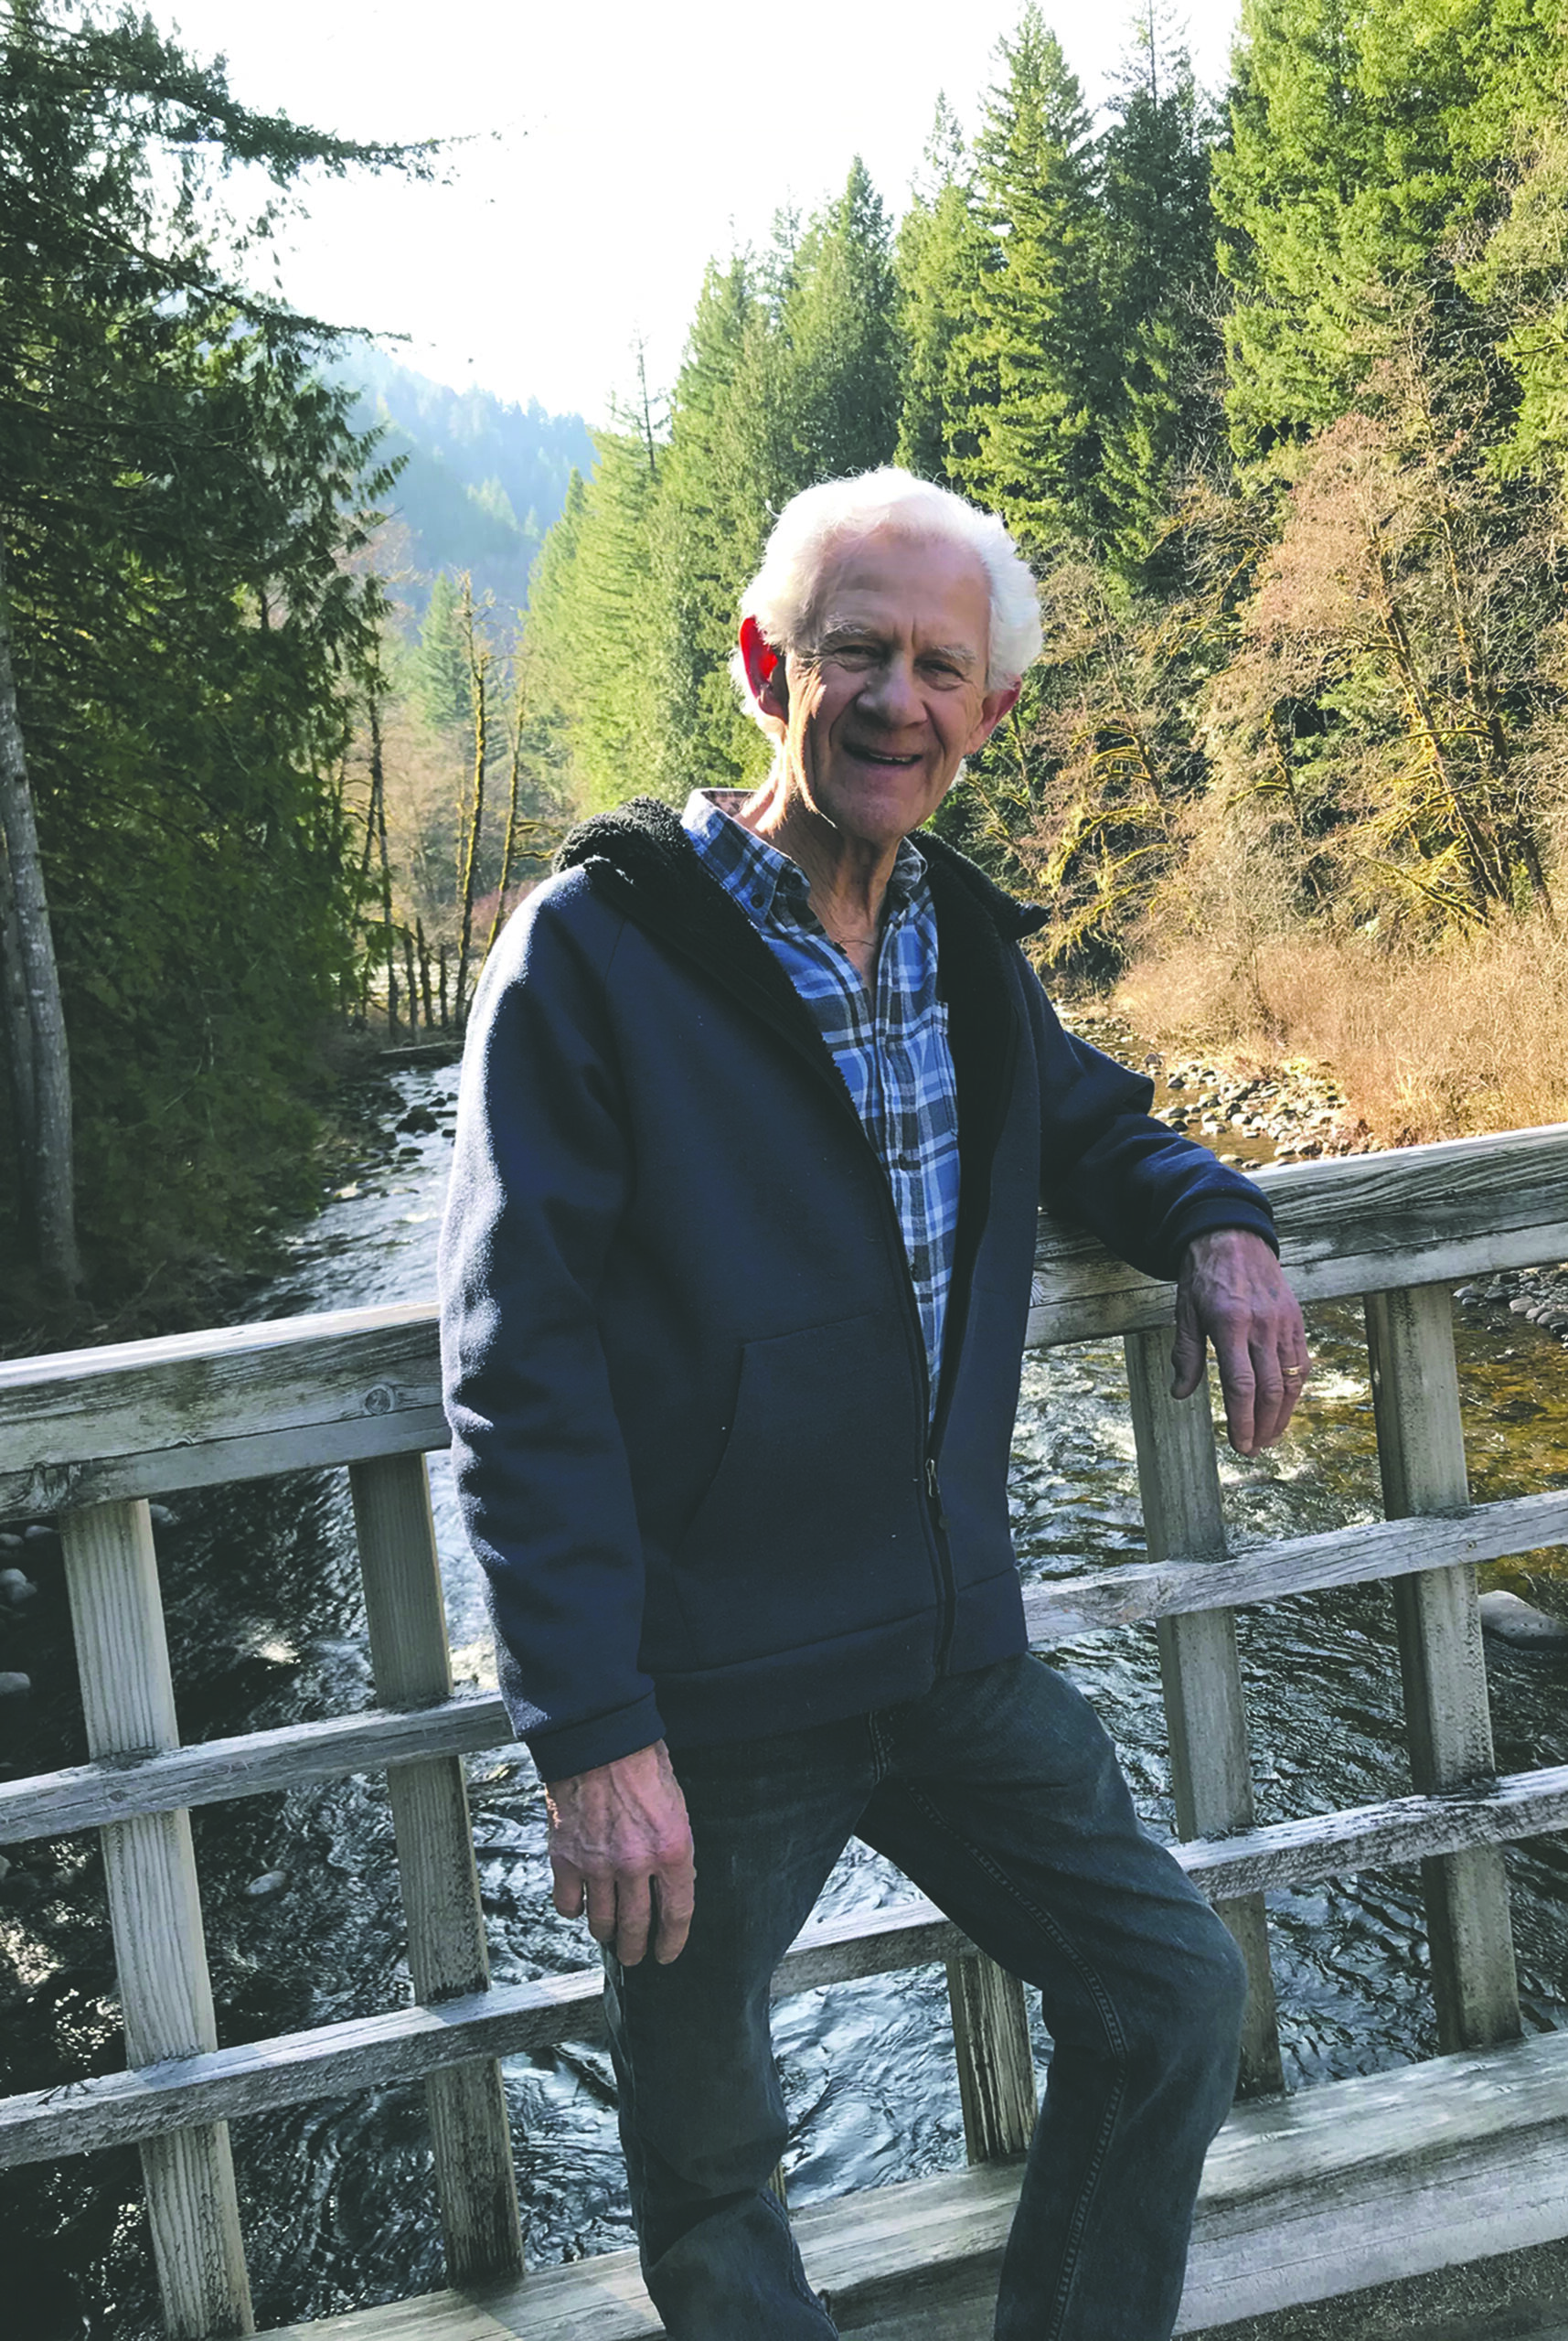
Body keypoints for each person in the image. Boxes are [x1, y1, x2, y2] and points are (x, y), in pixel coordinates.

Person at [438, 466, 1309, 2341]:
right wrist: (592, 1727)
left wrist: (1221, 1222)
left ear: (990, 713)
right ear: (768, 665)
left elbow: (1097, 1127)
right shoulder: (594, 960)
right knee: (712, 2170)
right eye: (855, 651)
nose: (896, 697)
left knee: (1169, 1999)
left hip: (945, 1655)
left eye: (940, 664)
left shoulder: (964, 952)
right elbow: (518, 1363)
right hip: (707, 1700)